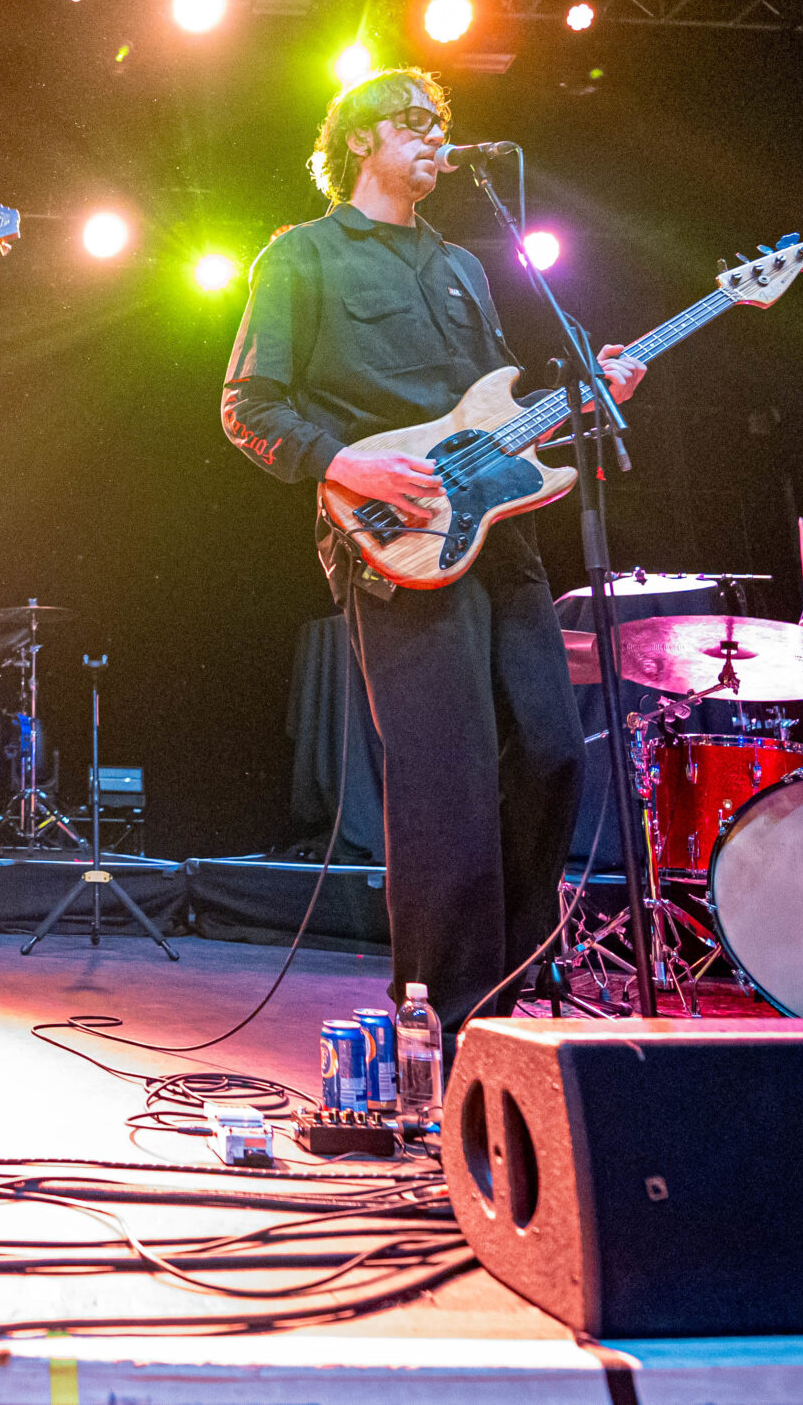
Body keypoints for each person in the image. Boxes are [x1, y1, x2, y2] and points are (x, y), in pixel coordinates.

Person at [220, 66, 645, 1054]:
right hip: (395, 538)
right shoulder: (301, 256)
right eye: (412, 121)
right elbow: (249, 405)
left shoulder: (462, 266)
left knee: (551, 750)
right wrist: (345, 461)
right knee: (445, 782)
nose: (432, 138)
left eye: (437, 123)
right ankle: (447, 1031)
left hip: (499, 536)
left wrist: (586, 396)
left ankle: (507, 991)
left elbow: (491, 421)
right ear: (359, 138)